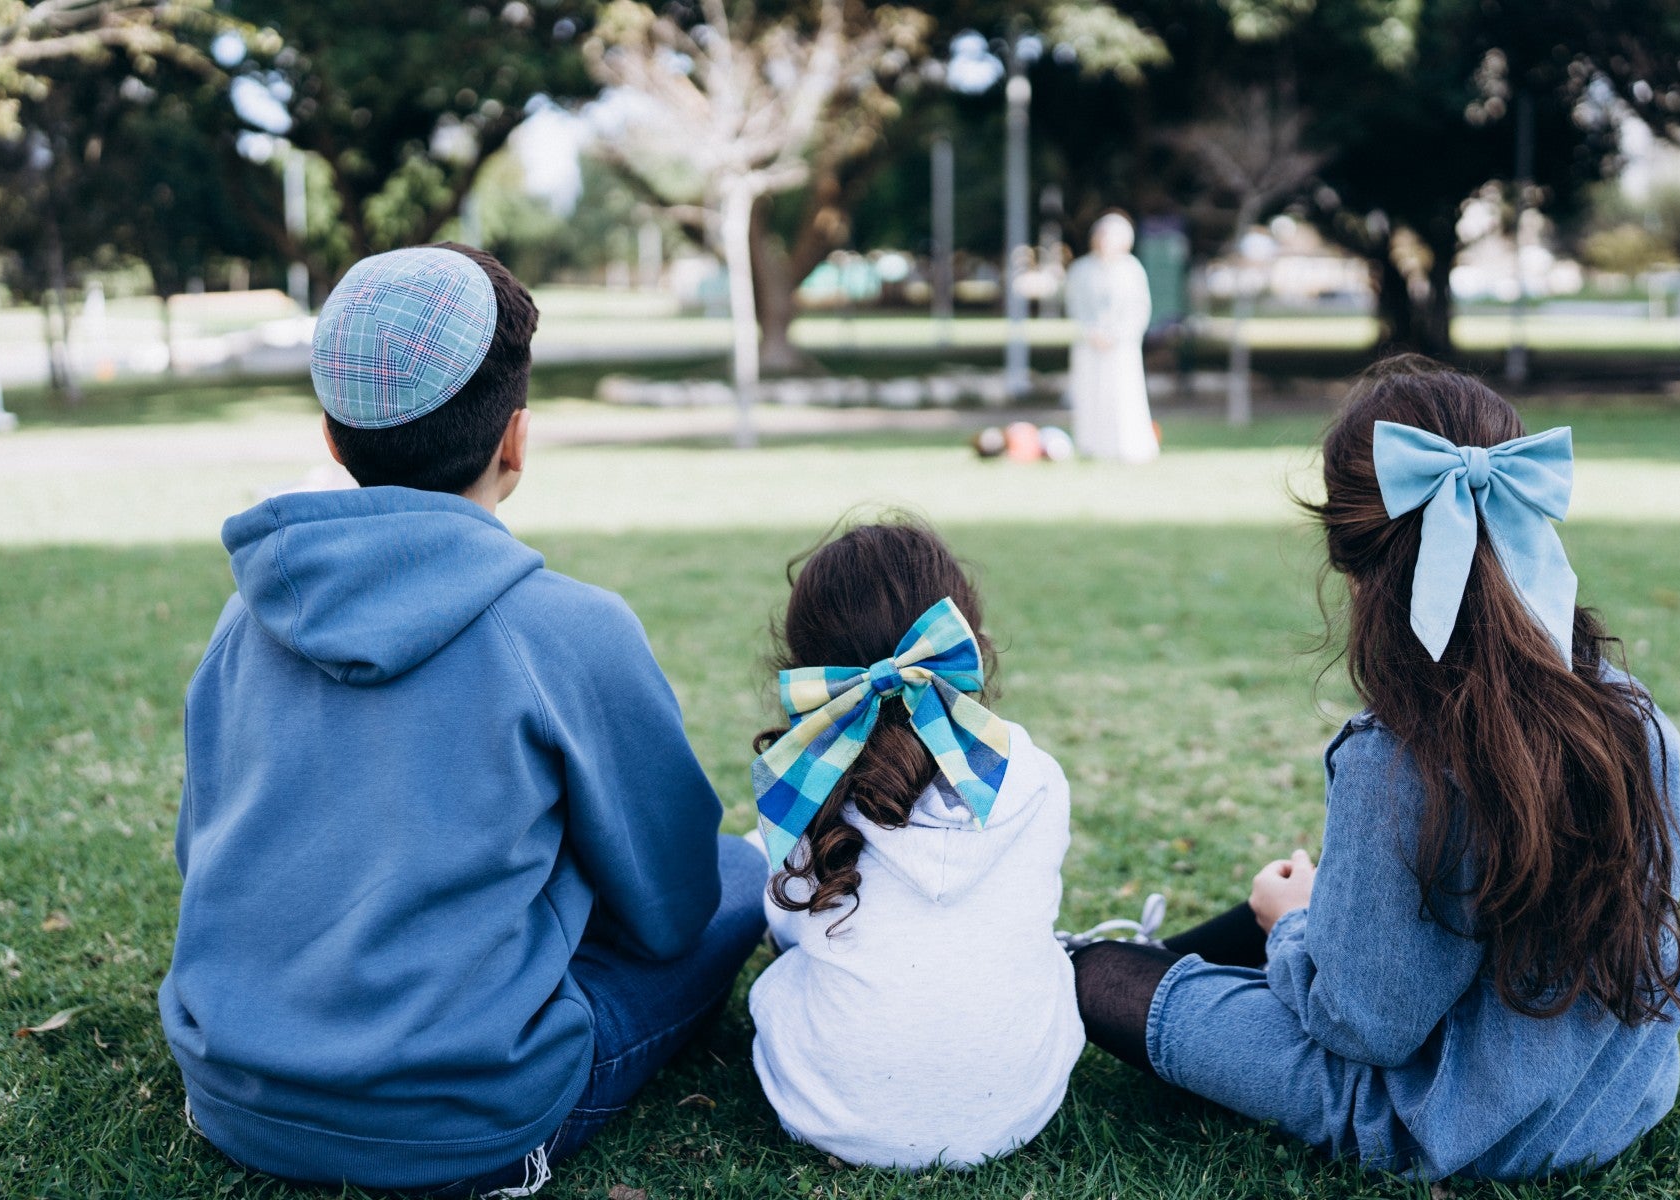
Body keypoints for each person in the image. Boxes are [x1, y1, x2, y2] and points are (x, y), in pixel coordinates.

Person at [158, 243, 766, 1197]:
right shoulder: (570, 629)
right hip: (464, 1122)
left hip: (232, 1094)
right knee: (738, 870)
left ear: (332, 439)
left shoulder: (245, 618)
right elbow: (671, 908)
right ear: (514, 441)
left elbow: (202, 857)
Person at [1070, 356, 1680, 1180]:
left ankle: (1096, 956)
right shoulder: (1632, 714)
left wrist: (1291, 928)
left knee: (1095, 976)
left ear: (1352, 553)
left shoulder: (1399, 759)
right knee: (1299, 899)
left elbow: (1366, 1027)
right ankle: (1175, 943)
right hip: (1615, 1101)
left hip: (1449, 1124)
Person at [746, 519, 1085, 1169]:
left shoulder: (808, 787)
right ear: (971, 645)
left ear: (806, 667)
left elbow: (787, 914)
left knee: (785, 972)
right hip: (1015, 1112)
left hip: (831, 1116)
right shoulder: (1037, 776)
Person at [1064, 211, 1158, 464]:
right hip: (1089, 344)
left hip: (1121, 346)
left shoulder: (1131, 270)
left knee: (1122, 396)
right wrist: (1090, 332)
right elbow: (1076, 306)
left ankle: (1126, 445)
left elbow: (1139, 309)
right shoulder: (1081, 269)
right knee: (1090, 394)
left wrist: (1117, 335)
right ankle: (1091, 445)